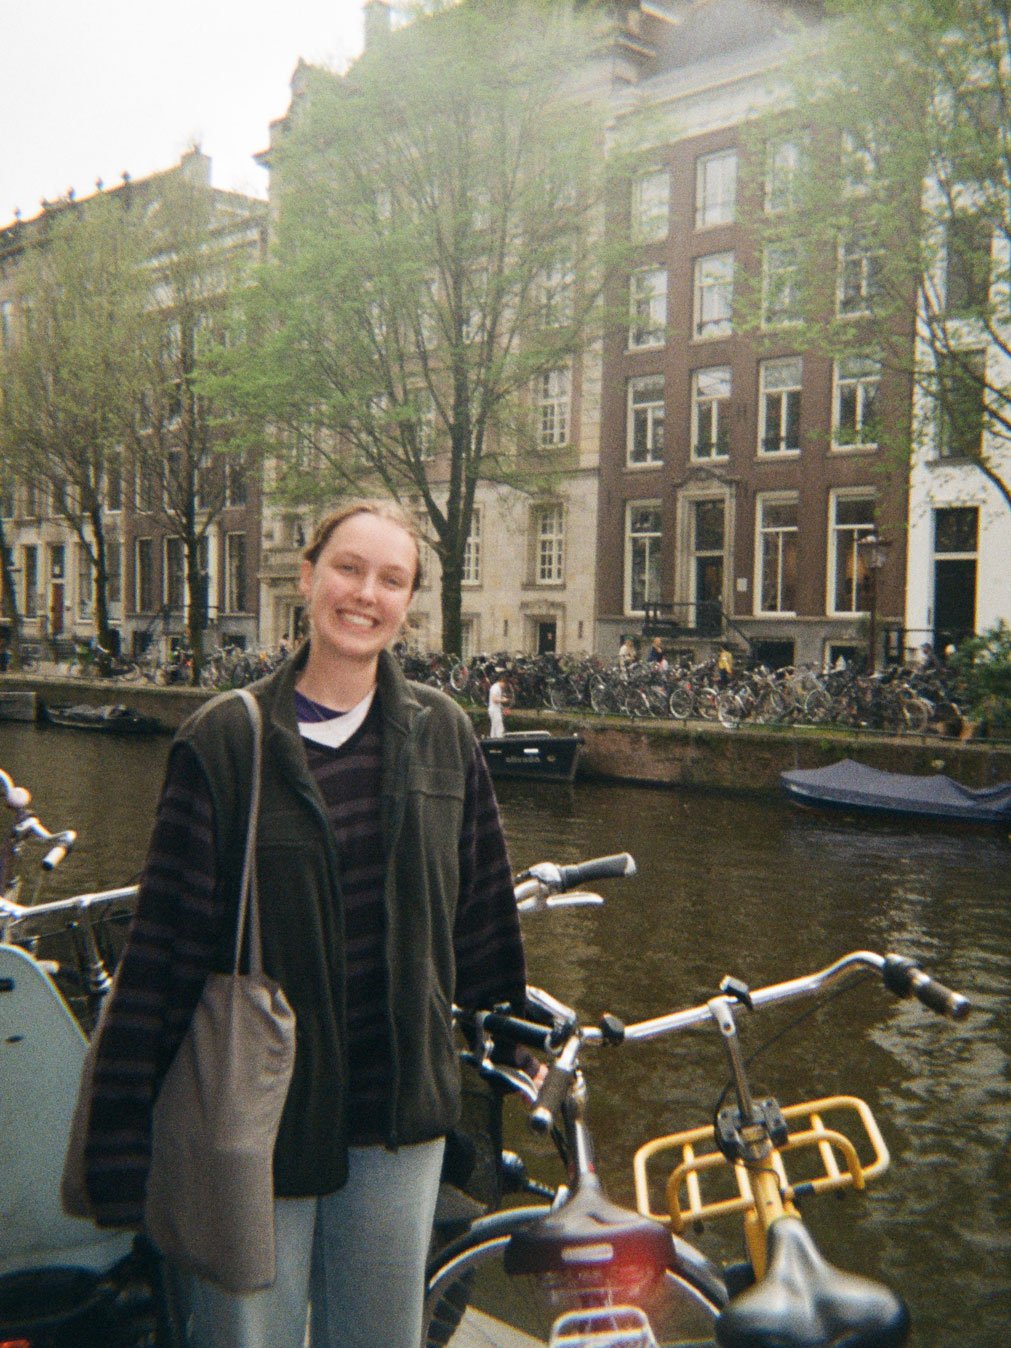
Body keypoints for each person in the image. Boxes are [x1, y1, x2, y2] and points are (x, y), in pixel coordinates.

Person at [82, 500, 527, 1348]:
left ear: (410, 601)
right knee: (251, 1335)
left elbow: (482, 913)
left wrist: (512, 1037)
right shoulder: (228, 741)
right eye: (348, 569)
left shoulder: (444, 734)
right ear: (308, 577)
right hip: (257, 1125)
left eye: (391, 579)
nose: (366, 594)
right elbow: (163, 951)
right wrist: (119, 1141)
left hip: (398, 1114)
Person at [487, 669, 509, 738]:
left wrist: (503, 709)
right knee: (499, 727)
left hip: (496, 709)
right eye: (505, 685)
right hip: (494, 710)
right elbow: (494, 699)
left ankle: (493, 741)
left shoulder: (498, 688)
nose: (505, 687)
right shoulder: (496, 688)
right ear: (502, 682)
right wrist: (503, 700)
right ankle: (500, 740)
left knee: (494, 727)